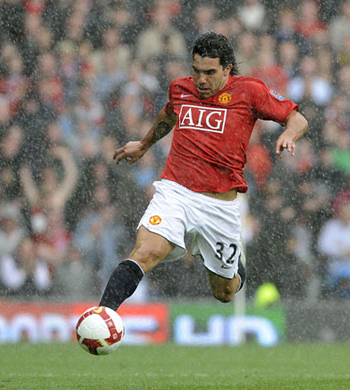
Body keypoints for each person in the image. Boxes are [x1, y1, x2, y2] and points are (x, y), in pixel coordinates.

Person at [98, 32, 308, 311]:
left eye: (209, 73)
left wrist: (289, 136)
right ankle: (102, 315)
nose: (201, 80)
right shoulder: (180, 89)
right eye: (196, 71)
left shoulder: (250, 91)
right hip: (176, 192)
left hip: (219, 205)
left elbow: (297, 118)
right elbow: (168, 115)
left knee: (225, 292)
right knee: (146, 252)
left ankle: (234, 268)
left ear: (227, 69)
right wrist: (144, 145)